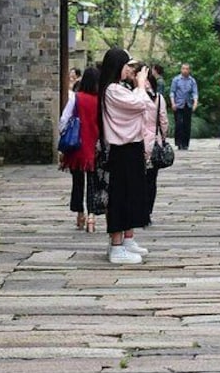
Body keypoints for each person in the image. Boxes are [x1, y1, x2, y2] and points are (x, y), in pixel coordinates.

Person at [98, 48, 151, 264]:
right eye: (127, 65)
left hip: (131, 147)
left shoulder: (119, 88)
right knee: (121, 196)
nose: (130, 69)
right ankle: (117, 245)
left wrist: (138, 87)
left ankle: (127, 239)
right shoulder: (112, 90)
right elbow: (141, 104)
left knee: (132, 195)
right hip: (123, 148)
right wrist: (140, 84)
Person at [59, 67, 101, 232]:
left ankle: (80, 214)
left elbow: (64, 119)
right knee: (93, 182)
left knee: (77, 182)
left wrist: (63, 138)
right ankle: (92, 217)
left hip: (77, 146)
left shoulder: (76, 98)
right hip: (94, 146)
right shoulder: (101, 100)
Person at [142, 72, 169, 225]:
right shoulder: (159, 99)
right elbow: (163, 121)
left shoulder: (135, 96)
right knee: (151, 180)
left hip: (137, 142)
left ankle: (139, 211)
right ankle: (148, 212)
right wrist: (163, 138)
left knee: (138, 179)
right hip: (154, 142)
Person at [170, 63, 198, 150]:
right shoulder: (176, 80)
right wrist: (173, 103)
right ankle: (179, 143)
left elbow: (195, 93)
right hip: (178, 104)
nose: (185, 70)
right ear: (181, 69)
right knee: (179, 124)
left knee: (186, 124)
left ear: (189, 70)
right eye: (183, 69)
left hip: (187, 104)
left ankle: (185, 143)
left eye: (187, 69)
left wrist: (195, 103)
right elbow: (172, 92)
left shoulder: (192, 81)